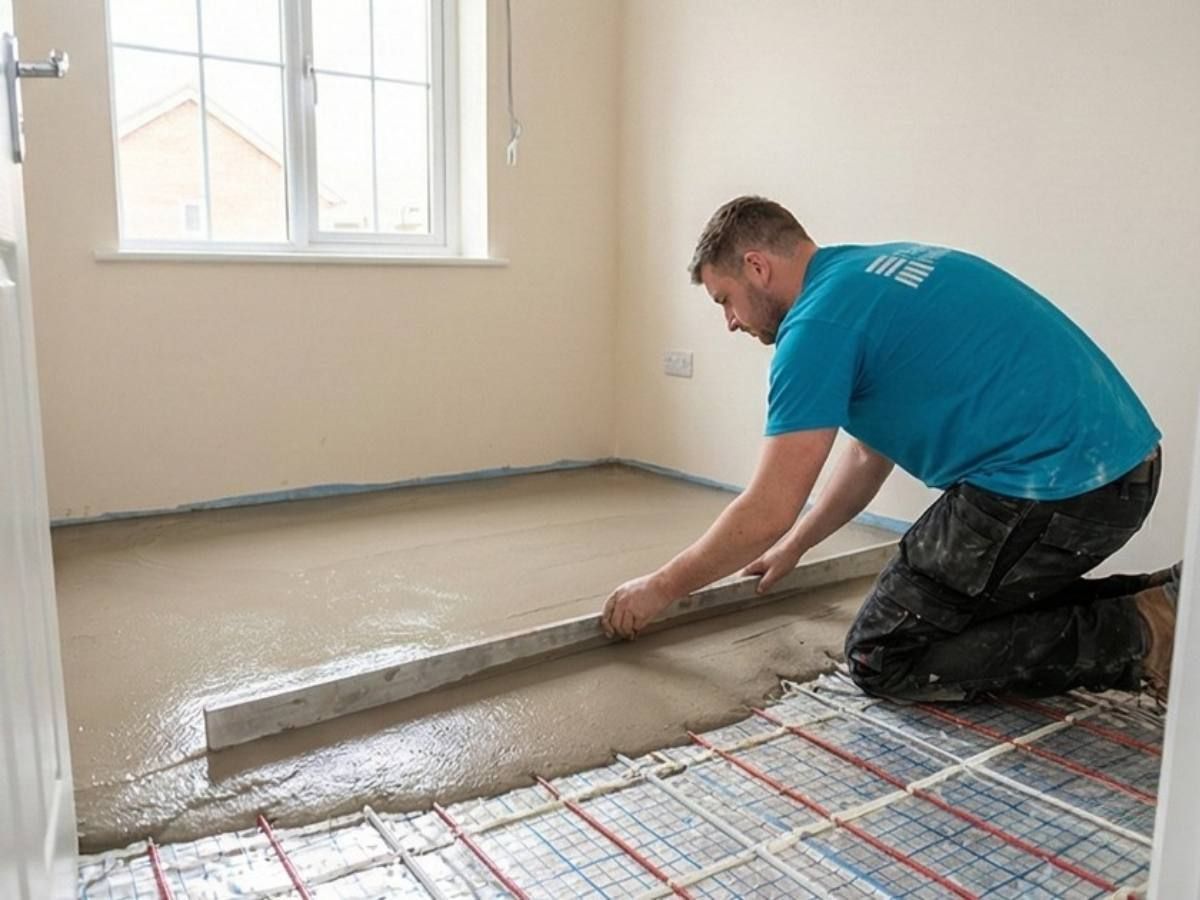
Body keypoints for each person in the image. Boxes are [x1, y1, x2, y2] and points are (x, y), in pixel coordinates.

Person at [600, 195, 1180, 702]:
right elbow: (865, 456)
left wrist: (660, 588)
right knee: (955, 605)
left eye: (725, 299)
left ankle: (1142, 635)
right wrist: (797, 544)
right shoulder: (867, 273)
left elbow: (768, 508)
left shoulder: (815, 328)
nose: (730, 321)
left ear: (757, 266)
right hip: (1123, 467)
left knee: (884, 652)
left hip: (1058, 489)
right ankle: (1166, 598)